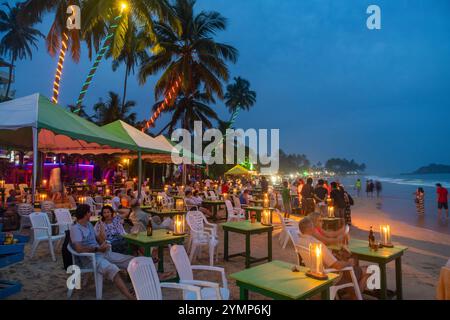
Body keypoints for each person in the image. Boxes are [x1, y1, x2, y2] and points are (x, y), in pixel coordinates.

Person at [70, 204, 135, 300]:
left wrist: (103, 241)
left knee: (132, 261)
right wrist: (98, 249)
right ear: (85, 214)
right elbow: (79, 249)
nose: (91, 214)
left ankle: (142, 286)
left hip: (101, 252)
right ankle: (130, 297)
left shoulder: (89, 225)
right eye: (89, 212)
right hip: (89, 258)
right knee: (113, 269)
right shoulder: (76, 228)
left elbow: (99, 239)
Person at [298, 217, 369, 299]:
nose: (314, 227)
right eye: (313, 226)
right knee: (368, 270)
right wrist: (349, 262)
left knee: (350, 270)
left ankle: (352, 293)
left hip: (315, 273)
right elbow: (337, 266)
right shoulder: (317, 245)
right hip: (331, 276)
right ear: (310, 228)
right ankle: (356, 296)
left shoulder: (300, 242)